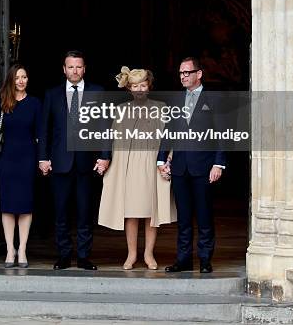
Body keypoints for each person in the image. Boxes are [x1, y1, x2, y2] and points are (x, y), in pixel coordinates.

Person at [38, 51, 110, 270]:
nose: (75, 71)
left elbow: (105, 127)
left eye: (78, 67)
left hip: (87, 163)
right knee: (60, 212)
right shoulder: (52, 94)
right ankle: (64, 256)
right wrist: (43, 157)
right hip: (59, 162)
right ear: (64, 69)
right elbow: (45, 129)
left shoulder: (97, 92)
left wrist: (105, 156)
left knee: (85, 212)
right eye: (71, 67)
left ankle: (84, 256)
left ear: (84, 69)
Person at [98, 67, 176, 270]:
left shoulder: (162, 108)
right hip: (129, 163)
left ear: (149, 86)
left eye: (143, 85)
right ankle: (132, 254)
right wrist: (105, 160)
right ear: (129, 89)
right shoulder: (121, 110)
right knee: (131, 212)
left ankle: (149, 254)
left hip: (152, 163)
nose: (140, 89)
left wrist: (167, 161)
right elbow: (111, 139)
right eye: (135, 86)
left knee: (151, 212)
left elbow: (169, 139)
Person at [158, 57, 226, 274]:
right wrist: (161, 159)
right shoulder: (176, 100)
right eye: (181, 73)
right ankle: (183, 260)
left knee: (204, 216)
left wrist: (219, 163)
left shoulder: (213, 99)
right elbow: (168, 131)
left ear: (199, 74)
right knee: (184, 219)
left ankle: (205, 260)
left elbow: (223, 134)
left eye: (188, 72)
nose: (184, 76)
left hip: (204, 167)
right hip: (180, 168)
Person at [0, 64, 41, 268]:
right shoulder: (2, 102)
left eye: (24, 77)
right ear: (11, 80)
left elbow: (40, 134)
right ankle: (10, 249)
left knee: (25, 206)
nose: (21, 81)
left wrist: (43, 158)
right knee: (8, 207)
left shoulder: (35, 104)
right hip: (7, 159)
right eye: (17, 77)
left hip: (27, 159)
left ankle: (22, 249)